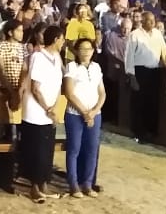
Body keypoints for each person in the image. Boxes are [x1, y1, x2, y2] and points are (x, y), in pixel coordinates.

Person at [19, 25, 64, 204]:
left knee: (47, 149)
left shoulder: (57, 57)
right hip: (36, 111)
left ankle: (44, 183)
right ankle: (34, 187)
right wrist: (47, 108)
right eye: (62, 39)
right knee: (36, 148)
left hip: (50, 110)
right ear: (55, 39)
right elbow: (35, 88)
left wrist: (54, 107)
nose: (63, 42)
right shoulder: (38, 56)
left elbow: (59, 83)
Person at [62, 37, 105, 198]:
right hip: (75, 114)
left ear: (93, 51)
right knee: (74, 149)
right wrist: (84, 112)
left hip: (95, 114)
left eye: (89, 49)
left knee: (92, 148)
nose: (86, 52)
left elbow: (102, 92)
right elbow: (69, 92)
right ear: (77, 51)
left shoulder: (96, 67)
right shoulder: (71, 67)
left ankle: (87, 183)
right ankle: (73, 184)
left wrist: (94, 111)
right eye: (82, 49)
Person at [124, 11, 166, 144]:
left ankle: (151, 132)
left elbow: (164, 51)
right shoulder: (135, 35)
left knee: (152, 102)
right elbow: (128, 56)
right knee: (139, 102)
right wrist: (131, 76)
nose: (152, 23)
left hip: (155, 71)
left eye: (153, 20)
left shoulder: (158, 33)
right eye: (149, 20)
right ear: (142, 21)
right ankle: (138, 132)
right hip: (140, 71)